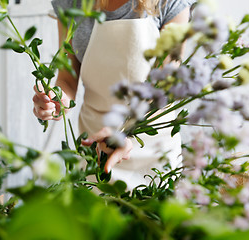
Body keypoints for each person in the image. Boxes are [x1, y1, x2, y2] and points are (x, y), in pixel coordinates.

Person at [33, 0, 195, 189]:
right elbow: (67, 79)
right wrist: (55, 101)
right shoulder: (69, 3)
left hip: (152, 148)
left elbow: (162, 87)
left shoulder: (170, 2)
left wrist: (124, 131)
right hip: (96, 146)